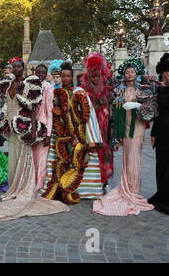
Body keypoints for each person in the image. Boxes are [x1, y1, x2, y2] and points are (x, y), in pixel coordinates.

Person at [0, 57, 69, 220]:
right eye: (13, 66)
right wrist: (3, 125)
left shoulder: (31, 85)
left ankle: (24, 188)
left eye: (19, 66)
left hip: (24, 126)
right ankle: (14, 188)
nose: (16, 69)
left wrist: (34, 129)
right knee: (13, 159)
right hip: (12, 130)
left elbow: (34, 110)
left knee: (25, 159)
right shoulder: (7, 84)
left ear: (24, 68)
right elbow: (5, 106)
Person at [93, 59, 157, 216]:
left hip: (137, 126)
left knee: (135, 156)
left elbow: (153, 110)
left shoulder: (144, 89)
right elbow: (114, 112)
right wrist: (117, 132)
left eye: (132, 72)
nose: (129, 74)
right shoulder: (119, 90)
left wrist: (139, 106)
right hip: (124, 127)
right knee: (126, 157)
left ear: (137, 73)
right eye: (127, 72)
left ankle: (133, 189)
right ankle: (125, 186)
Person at [39, 62, 104, 204]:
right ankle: (60, 189)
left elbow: (90, 116)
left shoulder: (79, 92)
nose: (65, 78)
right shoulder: (55, 93)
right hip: (61, 135)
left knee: (78, 162)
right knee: (61, 162)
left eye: (68, 76)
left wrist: (91, 137)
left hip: (78, 135)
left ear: (72, 77)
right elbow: (53, 115)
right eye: (63, 76)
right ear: (60, 77)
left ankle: (79, 190)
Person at [80, 53, 114, 187]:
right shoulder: (84, 91)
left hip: (104, 129)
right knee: (90, 153)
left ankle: (103, 178)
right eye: (92, 76)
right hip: (90, 128)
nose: (95, 79)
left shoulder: (107, 90)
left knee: (104, 152)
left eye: (98, 76)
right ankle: (90, 181)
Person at [149, 53, 169, 214]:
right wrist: (153, 134)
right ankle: (161, 197)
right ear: (162, 73)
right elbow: (156, 115)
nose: (168, 75)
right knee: (161, 165)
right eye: (166, 71)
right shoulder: (160, 91)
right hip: (162, 133)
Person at [32, 64, 54, 191]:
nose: (40, 74)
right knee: (33, 157)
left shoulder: (48, 88)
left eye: (43, 73)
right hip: (31, 125)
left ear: (46, 74)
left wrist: (48, 134)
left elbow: (50, 111)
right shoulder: (30, 86)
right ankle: (32, 182)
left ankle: (40, 185)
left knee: (41, 158)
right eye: (38, 72)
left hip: (43, 125)